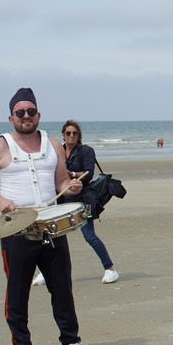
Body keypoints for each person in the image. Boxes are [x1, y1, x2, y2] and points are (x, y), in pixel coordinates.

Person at [0, 88, 95, 345]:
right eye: (20, 112)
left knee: (62, 287)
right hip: (17, 229)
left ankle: (70, 342)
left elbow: (61, 181)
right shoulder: (0, 147)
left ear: (38, 115)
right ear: (11, 117)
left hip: (52, 227)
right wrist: (0, 201)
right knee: (17, 291)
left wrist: (71, 187)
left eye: (30, 111)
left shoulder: (53, 144)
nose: (26, 116)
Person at [61, 120, 118, 283]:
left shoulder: (85, 150)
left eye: (75, 133)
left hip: (82, 199)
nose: (71, 136)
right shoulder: (58, 151)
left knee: (89, 236)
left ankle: (110, 269)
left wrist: (71, 174)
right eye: (68, 133)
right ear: (63, 135)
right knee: (54, 238)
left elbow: (88, 173)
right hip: (62, 198)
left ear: (78, 135)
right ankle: (46, 272)